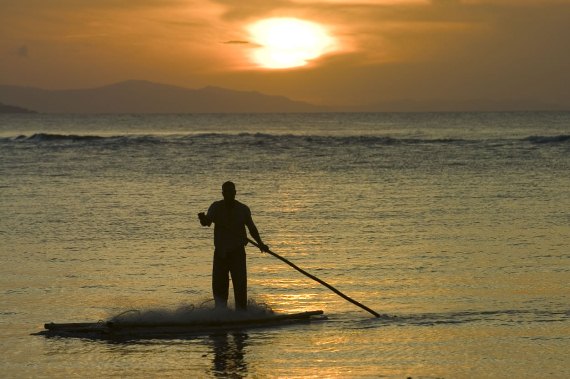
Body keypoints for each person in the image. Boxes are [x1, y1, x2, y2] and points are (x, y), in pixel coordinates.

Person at [198, 181, 269, 311]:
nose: (229, 194)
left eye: (231, 192)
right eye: (226, 192)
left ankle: (241, 316)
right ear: (223, 193)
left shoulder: (243, 209)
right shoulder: (216, 207)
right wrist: (203, 219)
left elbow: (252, 229)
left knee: (240, 287)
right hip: (220, 253)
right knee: (219, 288)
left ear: (235, 193)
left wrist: (260, 244)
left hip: (237, 253)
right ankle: (220, 315)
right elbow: (207, 222)